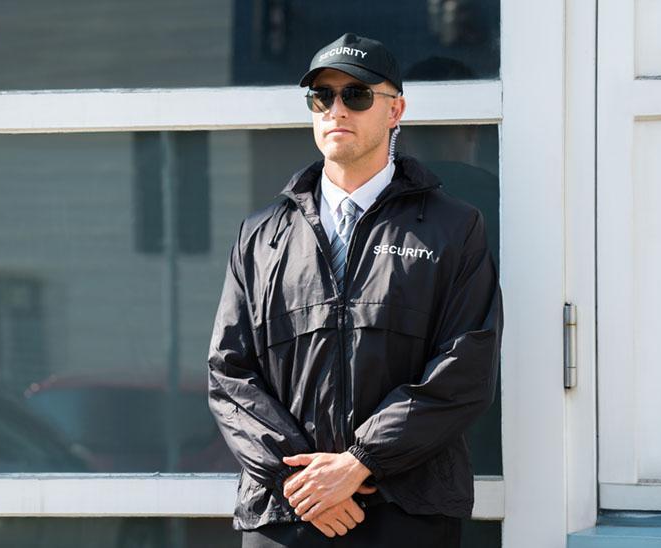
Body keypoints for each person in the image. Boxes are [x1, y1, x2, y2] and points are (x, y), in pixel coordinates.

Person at [207, 32, 503, 547]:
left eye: (357, 95)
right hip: (286, 511)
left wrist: (359, 463)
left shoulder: (453, 227)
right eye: (322, 97)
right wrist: (298, 480)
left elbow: (465, 368)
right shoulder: (261, 236)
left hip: (407, 509)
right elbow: (230, 373)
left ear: (396, 111)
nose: (337, 109)